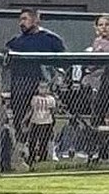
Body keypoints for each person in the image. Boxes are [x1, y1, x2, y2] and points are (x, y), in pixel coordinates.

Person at [4, 9, 66, 139]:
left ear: (35, 20)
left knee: (43, 124)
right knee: (20, 120)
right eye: (20, 20)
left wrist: (54, 82)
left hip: (42, 88)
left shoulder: (50, 39)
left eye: (25, 19)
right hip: (20, 88)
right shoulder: (15, 42)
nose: (21, 23)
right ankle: (22, 148)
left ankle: (44, 150)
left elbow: (63, 64)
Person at [27, 79, 57, 165]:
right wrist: (26, 120)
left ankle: (42, 157)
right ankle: (31, 157)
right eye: (41, 87)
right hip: (36, 121)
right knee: (32, 140)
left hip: (47, 122)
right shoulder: (35, 98)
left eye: (45, 87)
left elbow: (53, 110)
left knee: (44, 141)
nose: (43, 89)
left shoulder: (51, 99)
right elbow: (32, 110)